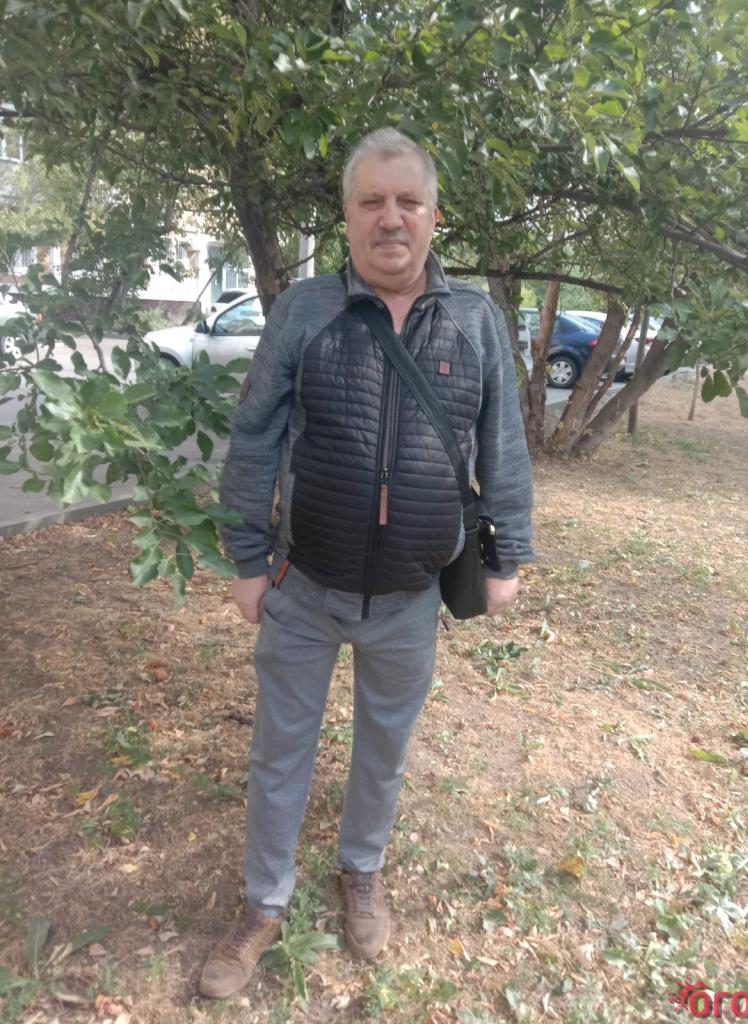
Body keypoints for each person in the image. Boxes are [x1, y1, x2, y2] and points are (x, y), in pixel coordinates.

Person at [198, 128, 534, 999]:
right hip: (303, 588)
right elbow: (255, 436)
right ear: (346, 216)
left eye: (408, 201)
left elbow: (502, 443)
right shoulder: (305, 311)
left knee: (383, 750)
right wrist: (246, 557)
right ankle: (264, 902)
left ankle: (362, 869)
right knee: (280, 752)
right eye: (372, 201)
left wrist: (507, 554)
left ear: (433, 216)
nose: (391, 218)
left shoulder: (475, 320)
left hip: (411, 598)